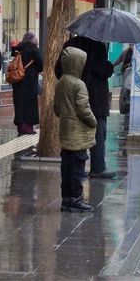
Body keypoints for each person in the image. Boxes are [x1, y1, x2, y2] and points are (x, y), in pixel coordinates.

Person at [55, 35, 116, 179]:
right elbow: (104, 71)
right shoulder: (98, 46)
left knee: (74, 132)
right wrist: (110, 65)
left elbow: (58, 70)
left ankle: (75, 167)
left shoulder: (69, 45)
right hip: (96, 98)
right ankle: (98, 167)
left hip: (72, 98)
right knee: (98, 134)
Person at [54, 47, 97, 212]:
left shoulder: (62, 82)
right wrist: (93, 122)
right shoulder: (79, 84)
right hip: (77, 133)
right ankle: (76, 199)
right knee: (78, 168)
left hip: (65, 130)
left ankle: (67, 198)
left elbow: (56, 108)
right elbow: (83, 108)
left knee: (66, 167)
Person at [11, 32, 43, 135]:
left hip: (17, 79)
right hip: (29, 80)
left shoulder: (17, 48)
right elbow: (41, 64)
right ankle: (28, 128)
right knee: (29, 103)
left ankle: (20, 127)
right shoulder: (33, 48)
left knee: (19, 102)